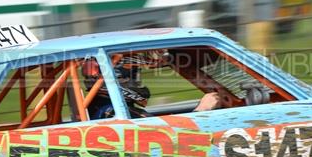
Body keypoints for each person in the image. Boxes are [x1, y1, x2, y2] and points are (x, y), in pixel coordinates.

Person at [82, 53, 222, 119]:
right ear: (118, 78)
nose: (137, 82)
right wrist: (202, 109)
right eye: (133, 77)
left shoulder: (101, 108)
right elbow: (172, 135)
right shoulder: (114, 112)